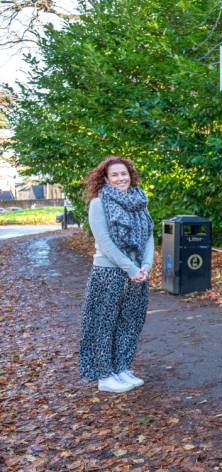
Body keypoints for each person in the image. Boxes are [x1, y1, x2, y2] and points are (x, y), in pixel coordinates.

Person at [79, 156, 154, 393]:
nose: (121, 178)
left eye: (125, 173)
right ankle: (104, 375)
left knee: (130, 323)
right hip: (108, 272)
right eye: (115, 175)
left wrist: (146, 265)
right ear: (106, 179)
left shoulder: (139, 201)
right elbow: (106, 243)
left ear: (131, 176)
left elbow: (149, 235)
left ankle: (121, 368)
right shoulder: (98, 204)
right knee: (103, 323)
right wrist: (130, 269)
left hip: (138, 273)